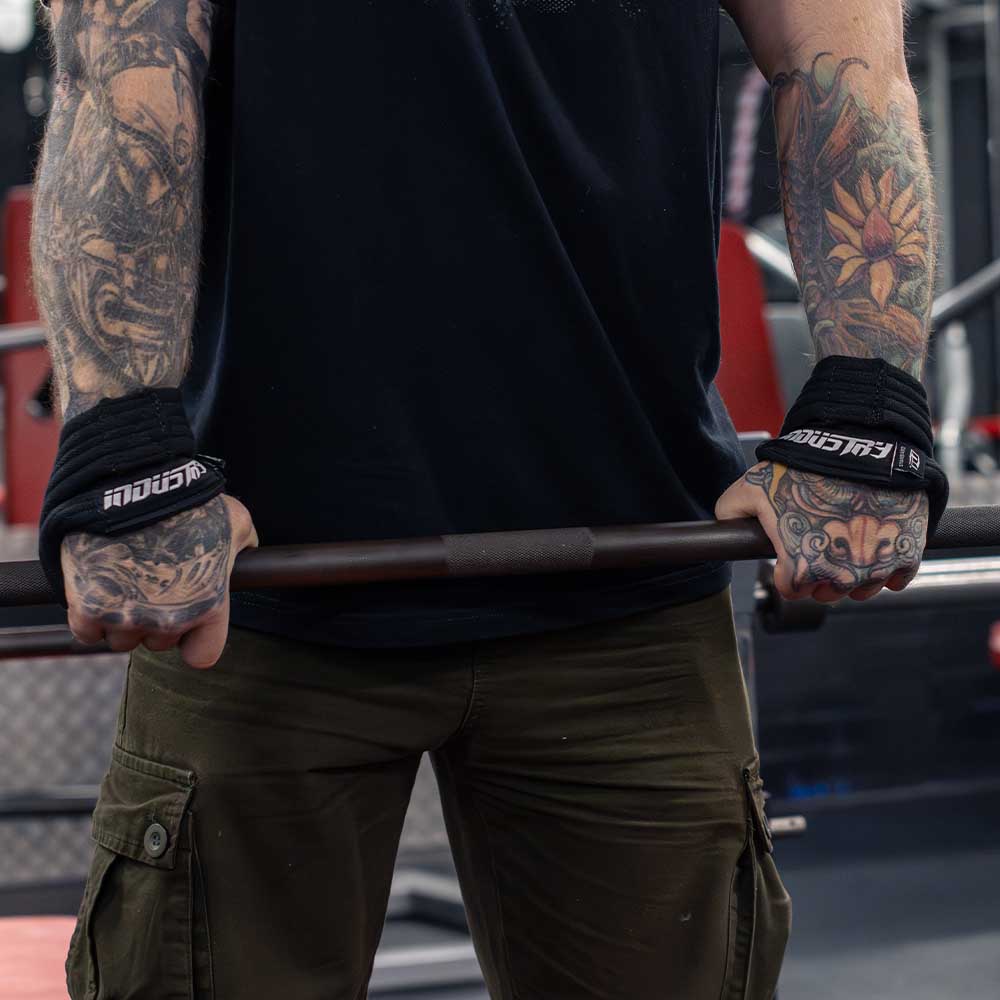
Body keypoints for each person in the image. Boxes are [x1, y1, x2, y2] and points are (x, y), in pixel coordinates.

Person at [31, 1, 936, 997]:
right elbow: (117, 67)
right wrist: (126, 449)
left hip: (629, 578)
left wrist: (867, 405)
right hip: (259, 592)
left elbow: (843, 61)